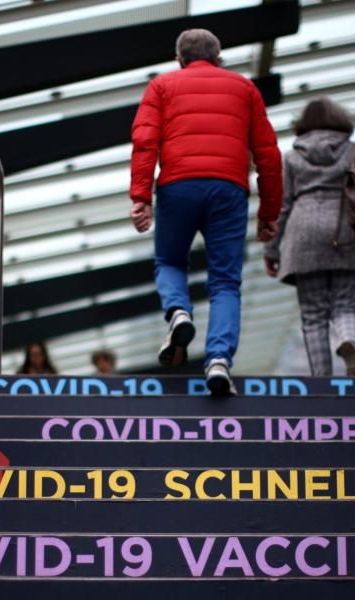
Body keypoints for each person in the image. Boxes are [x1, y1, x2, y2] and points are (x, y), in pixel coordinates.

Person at [129, 28, 282, 397]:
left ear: (179, 59)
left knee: (169, 261)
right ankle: (218, 361)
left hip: (177, 186)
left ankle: (179, 312)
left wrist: (141, 196)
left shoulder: (161, 86)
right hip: (228, 189)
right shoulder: (245, 89)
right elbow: (268, 154)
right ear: (219, 57)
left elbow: (145, 141)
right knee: (225, 282)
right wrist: (269, 211)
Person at [264, 97, 355, 376]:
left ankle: (322, 379)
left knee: (314, 314)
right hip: (349, 230)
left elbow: (281, 206)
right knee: (346, 304)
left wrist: (271, 249)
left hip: (303, 233)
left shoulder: (292, 157)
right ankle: (346, 339)